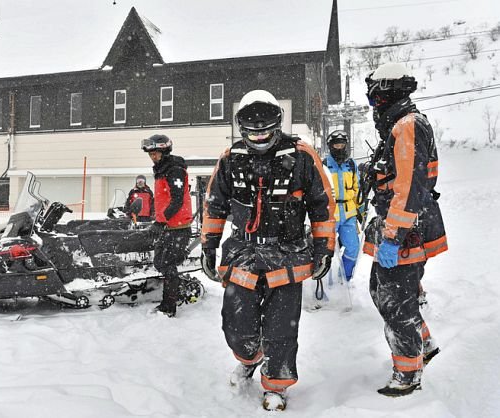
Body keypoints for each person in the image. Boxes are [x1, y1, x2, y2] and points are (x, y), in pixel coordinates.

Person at [200, 90, 335, 411]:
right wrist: (208, 245)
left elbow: (322, 205)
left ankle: (276, 386)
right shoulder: (230, 158)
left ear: (277, 125)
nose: (259, 136)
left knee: (281, 328)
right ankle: (249, 358)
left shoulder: (303, 156)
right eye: (252, 131)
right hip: (242, 254)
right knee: (236, 324)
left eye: (265, 130)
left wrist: (324, 248)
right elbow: (214, 205)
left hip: (288, 254)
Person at [363, 62, 447, 396]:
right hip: (401, 223)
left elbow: (410, 187)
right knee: (381, 290)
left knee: (395, 300)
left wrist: (394, 236)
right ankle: (423, 342)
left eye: (374, 99)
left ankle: (408, 372)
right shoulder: (399, 125)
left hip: (406, 228)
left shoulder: (408, 126)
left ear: (386, 95)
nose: (373, 107)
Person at [141, 134, 193, 318]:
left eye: (155, 153)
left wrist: (160, 221)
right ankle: (175, 294)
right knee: (159, 262)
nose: (153, 157)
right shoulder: (162, 169)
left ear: (164, 151)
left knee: (167, 264)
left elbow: (177, 199)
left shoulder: (175, 169)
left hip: (178, 226)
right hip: (168, 225)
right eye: (151, 154)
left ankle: (169, 306)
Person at [322, 130, 363, 281]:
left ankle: (344, 278)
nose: (339, 148)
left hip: (349, 213)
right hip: (330, 215)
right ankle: (326, 282)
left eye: (342, 144)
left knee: (353, 248)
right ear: (330, 146)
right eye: (336, 145)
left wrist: (360, 210)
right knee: (326, 251)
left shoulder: (351, 165)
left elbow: (357, 189)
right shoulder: (324, 165)